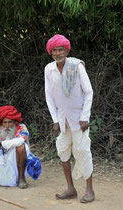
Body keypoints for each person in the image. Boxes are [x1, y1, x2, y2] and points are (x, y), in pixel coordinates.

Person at [44, 34, 95, 203]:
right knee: (63, 151)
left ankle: (89, 190)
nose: (58, 53)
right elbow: (49, 97)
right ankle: (70, 188)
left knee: (82, 151)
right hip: (62, 118)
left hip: (79, 117)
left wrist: (85, 117)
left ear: (66, 50)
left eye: (61, 49)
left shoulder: (76, 66)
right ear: (51, 52)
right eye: (55, 50)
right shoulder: (49, 69)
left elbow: (88, 92)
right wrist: (55, 120)